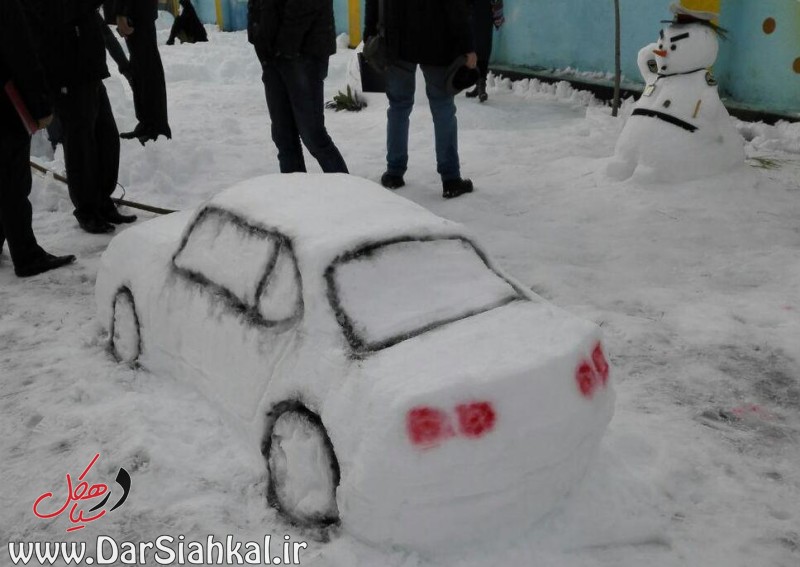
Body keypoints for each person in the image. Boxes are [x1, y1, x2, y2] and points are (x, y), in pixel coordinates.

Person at [25, 0, 135, 234]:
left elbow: (94, 21)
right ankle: (87, 209)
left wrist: (123, 64)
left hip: (90, 68)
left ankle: (103, 200)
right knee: (80, 145)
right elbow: (55, 15)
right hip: (66, 73)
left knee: (107, 138)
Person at [364, 0, 476, 199]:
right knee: (443, 109)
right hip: (437, 42)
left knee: (398, 106)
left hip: (396, 42)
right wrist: (467, 46)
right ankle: (450, 179)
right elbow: (456, 6)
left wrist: (370, 32)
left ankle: (394, 173)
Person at [0, 0, 75, 277]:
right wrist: (41, 106)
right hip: (6, 105)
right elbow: (21, 52)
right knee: (13, 182)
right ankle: (27, 256)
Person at [247, 0, 349, 174]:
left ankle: (346, 188)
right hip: (271, 54)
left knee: (313, 135)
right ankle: (294, 188)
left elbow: (306, 6)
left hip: (303, 51)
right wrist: (258, 36)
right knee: (283, 136)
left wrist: (284, 44)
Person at [114, 0, 172, 144]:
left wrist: (122, 11)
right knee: (140, 68)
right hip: (136, 11)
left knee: (147, 67)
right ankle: (148, 123)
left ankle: (155, 126)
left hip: (137, 11)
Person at [465, 0, 504, 102]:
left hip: (482, 11)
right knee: (477, 48)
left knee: (482, 49)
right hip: (475, 11)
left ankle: (481, 86)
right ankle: (479, 84)